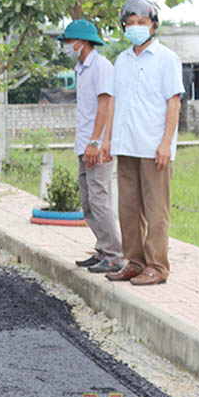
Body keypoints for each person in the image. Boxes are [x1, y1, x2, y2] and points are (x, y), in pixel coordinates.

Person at [104, 0, 184, 287]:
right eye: (131, 22)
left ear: (153, 25)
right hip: (126, 146)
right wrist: (107, 141)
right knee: (127, 208)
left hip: (153, 147)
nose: (136, 27)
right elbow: (113, 102)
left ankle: (157, 266)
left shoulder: (166, 59)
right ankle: (134, 262)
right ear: (124, 26)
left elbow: (173, 103)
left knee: (156, 210)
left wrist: (166, 143)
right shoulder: (122, 60)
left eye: (142, 22)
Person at [59, 19, 125, 274]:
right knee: (87, 202)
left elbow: (106, 105)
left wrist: (97, 143)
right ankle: (102, 249)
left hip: (95, 145)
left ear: (81, 42)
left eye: (68, 41)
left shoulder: (101, 67)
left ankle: (115, 256)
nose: (66, 46)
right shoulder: (82, 68)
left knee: (99, 200)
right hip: (84, 144)